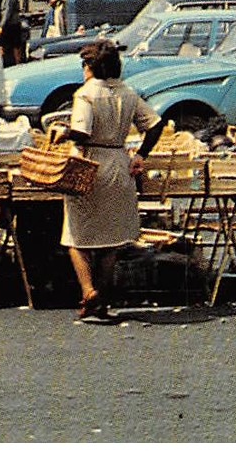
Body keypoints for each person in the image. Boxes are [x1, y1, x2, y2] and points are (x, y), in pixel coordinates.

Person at [59, 39, 165, 323]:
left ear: (90, 67)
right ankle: (101, 301)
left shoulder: (86, 94)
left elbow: (82, 132)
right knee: (109, 241)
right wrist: (141, 154)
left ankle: (88, 290)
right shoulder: (127, 93)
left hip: (90, 166)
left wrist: (64, 132)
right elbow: (155, 124)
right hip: (119, 164)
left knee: (76, 236)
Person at [0, 0, 27, 66]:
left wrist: (1, 26)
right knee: (16, 45)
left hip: (9, 25)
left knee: (1, 44)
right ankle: (18, 63)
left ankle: (0, 63)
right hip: (16, 23)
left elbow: (7, 12)